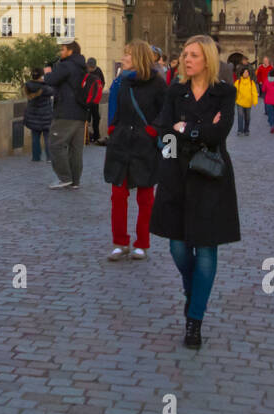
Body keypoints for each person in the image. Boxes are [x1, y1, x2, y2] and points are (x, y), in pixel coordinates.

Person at [150, 34, 240, 348]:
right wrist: (180, 141)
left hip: (211, 178)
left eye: (193, 55)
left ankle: (195, 320)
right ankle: (193, 291)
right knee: (177, 247)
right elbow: (163, 133)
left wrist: (186, 128)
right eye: (185, 54)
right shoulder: (175, 91)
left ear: (208, 60)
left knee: (205, 250)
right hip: (176, 175)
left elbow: (220, 132)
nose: (186, 60)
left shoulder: (225, 93)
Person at [103, 40, 166, 261]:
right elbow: (116, 108)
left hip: (144, 146)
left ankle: (142, 243)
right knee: (117, 195)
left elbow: (165, 114)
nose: (123, 58)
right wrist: (113, 128)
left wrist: (151, 131)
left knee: (145, 197)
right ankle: (120, 242)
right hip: (121, 144)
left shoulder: (158, 84)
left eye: (127, 55)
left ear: (138, 57)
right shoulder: (122, 82)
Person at [42, 38, 88, 189]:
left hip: (65, 112)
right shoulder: (82, 66)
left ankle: (64, 178)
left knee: (55, 144)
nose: (60, 52)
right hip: (80, 113)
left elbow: (50, 80)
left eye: (62, 49)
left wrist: (47, 72)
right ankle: (75, 181)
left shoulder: (66, 65)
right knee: (76, 149)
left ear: (70, 50)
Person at [23, 67, 54, 161]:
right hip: (45, 117)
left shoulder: (27, 86)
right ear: (41, 76)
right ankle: (49, 157)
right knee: (47, 138)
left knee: (35, 137)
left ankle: (36, 157)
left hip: (33, 116)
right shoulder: (45, 87)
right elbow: (54, 91)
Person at [85, 58, 107, 144]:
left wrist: (99, 91)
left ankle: (96, 135)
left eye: (92, 68)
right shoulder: (85, 71)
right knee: (87, 118)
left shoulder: (98, 71)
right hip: (87, 99)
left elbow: (102, 82)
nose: (91, 70)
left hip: (95, 99)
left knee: (96, 118)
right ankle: (86, 136)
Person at [234, 66, 258, 135]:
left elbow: (254, 92)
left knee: (247, 117)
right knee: (240, 116)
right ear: (242, 73)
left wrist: (255, 100)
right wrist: (233, 100)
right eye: (244, 72)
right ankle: (240, 130)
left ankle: (246, 130)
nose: (246, 73)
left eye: (247, 72)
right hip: (240, 102)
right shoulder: (238, 82)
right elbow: (234, 91)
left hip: (248, 103)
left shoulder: (251, 82)